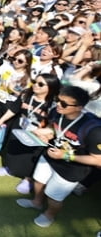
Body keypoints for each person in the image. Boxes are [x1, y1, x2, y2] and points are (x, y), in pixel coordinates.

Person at [16, 85, 101, 228]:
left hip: (72, 168)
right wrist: (44, 134)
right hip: (50, 155)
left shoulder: (94, 130)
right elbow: (54, 129)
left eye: (64, 104)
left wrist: (66, 155)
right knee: (38, 180)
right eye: (57, 100)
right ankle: (36, 202)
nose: (58, 105)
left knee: (54, 196)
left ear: (79, 107)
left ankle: (49, 215)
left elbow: (98, 160)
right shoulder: (57, 112)